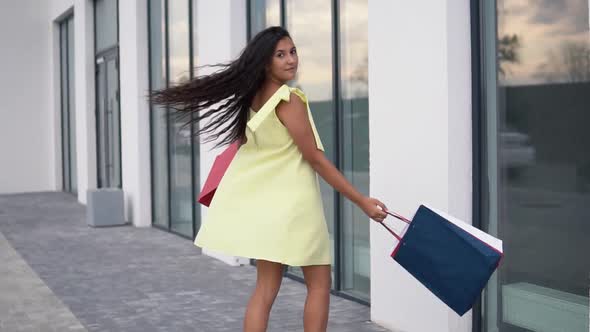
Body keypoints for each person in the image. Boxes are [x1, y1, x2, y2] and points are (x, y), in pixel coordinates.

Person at [150, 26, 388, 332]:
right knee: (318, 284)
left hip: (268, 210)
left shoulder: (253, 101)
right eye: (280, 55)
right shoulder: (289, 99)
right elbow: (315, 159)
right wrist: (362, 202)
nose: (291, 60)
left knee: (264, 290)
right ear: (265, 63)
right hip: (296, 208)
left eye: (293, 52)